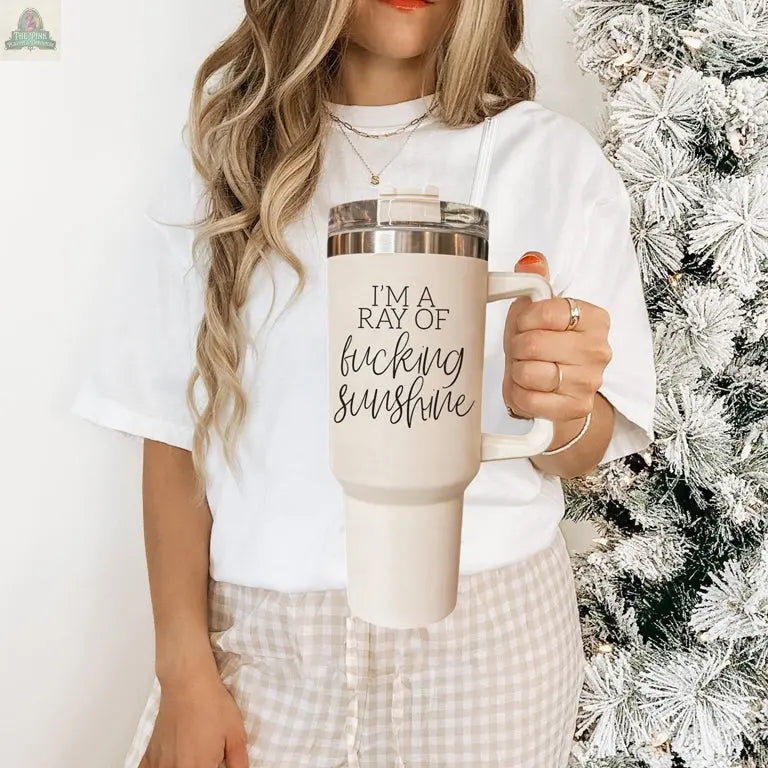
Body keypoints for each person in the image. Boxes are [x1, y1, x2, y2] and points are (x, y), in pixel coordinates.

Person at [70, 0, 656, 766]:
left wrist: (558, 402)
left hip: (492, 654)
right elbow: (171, 430)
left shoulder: (551, 160)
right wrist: (182, 670)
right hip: (264, 655)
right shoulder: (224, 160)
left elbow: (581, 447)